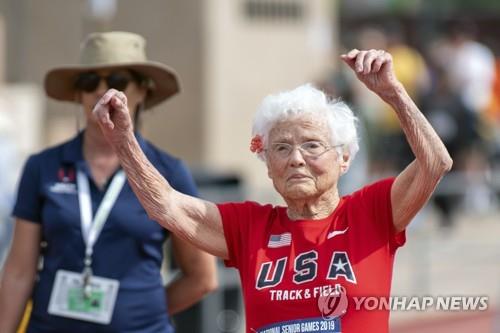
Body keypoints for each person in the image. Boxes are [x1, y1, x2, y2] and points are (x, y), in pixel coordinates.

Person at [91, 49, 452, 332]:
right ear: (266, 163)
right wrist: (123, 141)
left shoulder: (370, 211)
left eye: (312, 146)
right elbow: (166, 206)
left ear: (344, 159)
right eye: (280, 148)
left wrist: (394, 94)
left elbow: (435, 162)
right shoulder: (250, 226)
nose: (295, 159)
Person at [0, 31, 217, 333]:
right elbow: (18, 272)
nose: (102, 91)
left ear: (143, 91)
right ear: (78, 94)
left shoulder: (170, 172)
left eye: (117, 80)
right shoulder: (42, 167)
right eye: (90, 81)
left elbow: (202, 277)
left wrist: (143, 312)